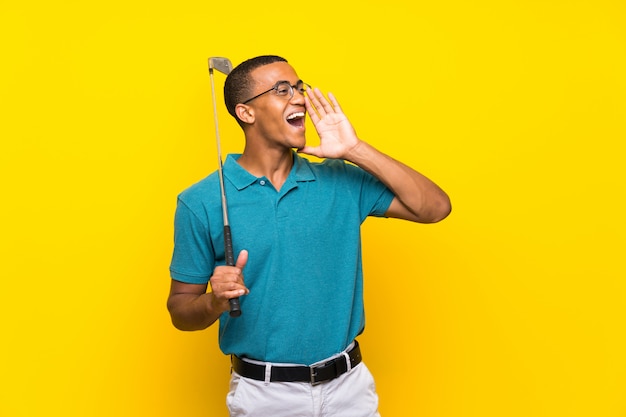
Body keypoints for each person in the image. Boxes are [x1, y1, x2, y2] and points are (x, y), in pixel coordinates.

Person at [167, 55, 451, 417]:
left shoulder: (340, 179)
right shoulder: (203, 201)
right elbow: (180, 310)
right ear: (246, 113)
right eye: (282, 90)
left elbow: (435, 208)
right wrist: (214, 301)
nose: (300, 98)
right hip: (264, 397)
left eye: (299, 88)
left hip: (349, 389)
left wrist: (354, 150)